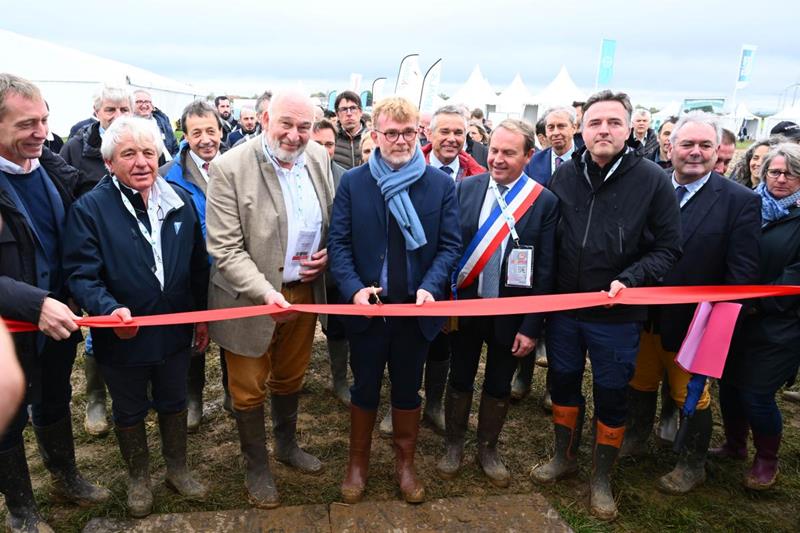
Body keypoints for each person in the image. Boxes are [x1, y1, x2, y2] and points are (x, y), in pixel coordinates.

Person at [530, 90, 681, 521]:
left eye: (614, 122)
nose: (603, 130)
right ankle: (565, 456)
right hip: (565, 309)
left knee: (612, 393)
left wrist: (631, 278)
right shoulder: (564, 175)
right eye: (595, 122)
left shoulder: (652, 179)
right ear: (582, 128)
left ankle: (601, 477)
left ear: (630, 128)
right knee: (562, 382)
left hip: (617, 313)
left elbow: (670, 247)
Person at [63, 116, 210, 518]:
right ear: (110, 162)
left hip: (175, 330)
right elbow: (80, 273)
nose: (142, 162)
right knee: (128, 409)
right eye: (129, 153)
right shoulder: (90, 209)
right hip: (122, 334)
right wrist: (109, 309)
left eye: (148, 152)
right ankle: (139, 477)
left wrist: (200, 316)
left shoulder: (178, 200)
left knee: (173, 399)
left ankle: (177, 469)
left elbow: (199, 266)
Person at [328, 96, 461, 504]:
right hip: (369, 311)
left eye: (407, 133)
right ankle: (358, 465)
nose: (400, 140)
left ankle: (405, 465)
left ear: (418, 134)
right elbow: (339, 244)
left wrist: (432, 285)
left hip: (413, 311)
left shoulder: (439, 184)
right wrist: (353, 288)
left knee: (407, 390)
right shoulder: (354, 182)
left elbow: (450, 246)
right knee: (364, 386)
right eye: (391, 133)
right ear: (376, 135)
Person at [205, 90, 334, 509]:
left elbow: (329, 220)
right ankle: (256, 466)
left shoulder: (318, 158)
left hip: (303, 294)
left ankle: (286, 445)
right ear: (264, 118)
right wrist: (265, 292)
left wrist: (328, 254)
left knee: (291, 375)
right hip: (250, 298)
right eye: (287, 124)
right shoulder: (229, 168)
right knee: (247, 388)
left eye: (305, 127)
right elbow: (225, 249)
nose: (295, 136)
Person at [623, 112, 761, 495]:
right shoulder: (648, 187)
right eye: (687, 144)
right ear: (671, 147)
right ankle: (635, 437)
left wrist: (718, 323)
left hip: (693, 323)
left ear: (718, 152)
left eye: (705, 145)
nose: (695, 153)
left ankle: (692, 462)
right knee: (640, 379)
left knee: (690, 394)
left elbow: (742, 273)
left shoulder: (740, 202)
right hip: (643, 313)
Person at [0, 73, 111, 532]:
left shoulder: (56, 172)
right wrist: (35, 303)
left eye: (44, 119)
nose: (42, 132)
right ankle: (22, 509)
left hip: (60, 321)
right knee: (7, 418)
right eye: (27, 124)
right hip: (11, 331)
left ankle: (65, 474)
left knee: (54, 396)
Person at [437, 119, 558, 486]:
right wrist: (446, 305)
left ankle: (487, 448)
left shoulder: (543, 201)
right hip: (468, 307)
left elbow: (547, 271)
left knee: (498, 382)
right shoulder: (466, 190)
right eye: (494, 151)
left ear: (528, 156)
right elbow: (450, 249)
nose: (498, 159)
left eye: (509, 152)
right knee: (458, 376)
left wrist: (532, 327)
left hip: (511, 313)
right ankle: (454, 444)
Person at [716, 143, 800, 490]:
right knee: (729, 386)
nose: (780, 179)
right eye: (774, 172)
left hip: (779, 324)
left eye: (790, 173)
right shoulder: (748, 205)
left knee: (757, 393)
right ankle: (734, 444)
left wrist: (757, 302)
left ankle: (767, 458)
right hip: (734, 316)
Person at [160, 100, 230, 429]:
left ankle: (233, 393)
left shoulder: (236, 167)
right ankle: (193, 398)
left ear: (221, 131)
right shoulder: (168, 177)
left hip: (231, 269)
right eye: (197, 132)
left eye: (211, 131)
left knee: (234, 333)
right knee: (194, 339)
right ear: (185, 135)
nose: (205, 139)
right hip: (191, 272)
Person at [311, 118, 350, 404]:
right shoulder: (292, 173)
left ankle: (339, 379)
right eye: (318, 144)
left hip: (333, 268)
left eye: (329, 144)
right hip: (298, 267)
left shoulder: (345, 177)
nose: (324, 150)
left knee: (336, 325)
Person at [61, 86, 132, 197]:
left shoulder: (146, 145)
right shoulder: (74, 148)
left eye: (124, 110)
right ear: (96, 111)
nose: (118, 116)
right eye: (110, 110)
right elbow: (63, 195)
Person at [524, 107, 577, 187]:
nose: (555, 133)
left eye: (561, 126)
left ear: (574, 128)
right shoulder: (532, 162)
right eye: (551, 127)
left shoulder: (586, 161)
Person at [132, 89, 178, 157]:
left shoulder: (162, 121)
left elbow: (175, 147)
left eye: (147, 102)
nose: (144, 105)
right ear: (131, 105)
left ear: (152, 105)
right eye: (139, 102)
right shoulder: (128, 125)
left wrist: (174, 163)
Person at [333, 91, 368, 169]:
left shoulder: (371, 138)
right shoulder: (331, 138)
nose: (349, 113)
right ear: (337, 114)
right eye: (344, 109)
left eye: (353, 108)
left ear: (361, 111)